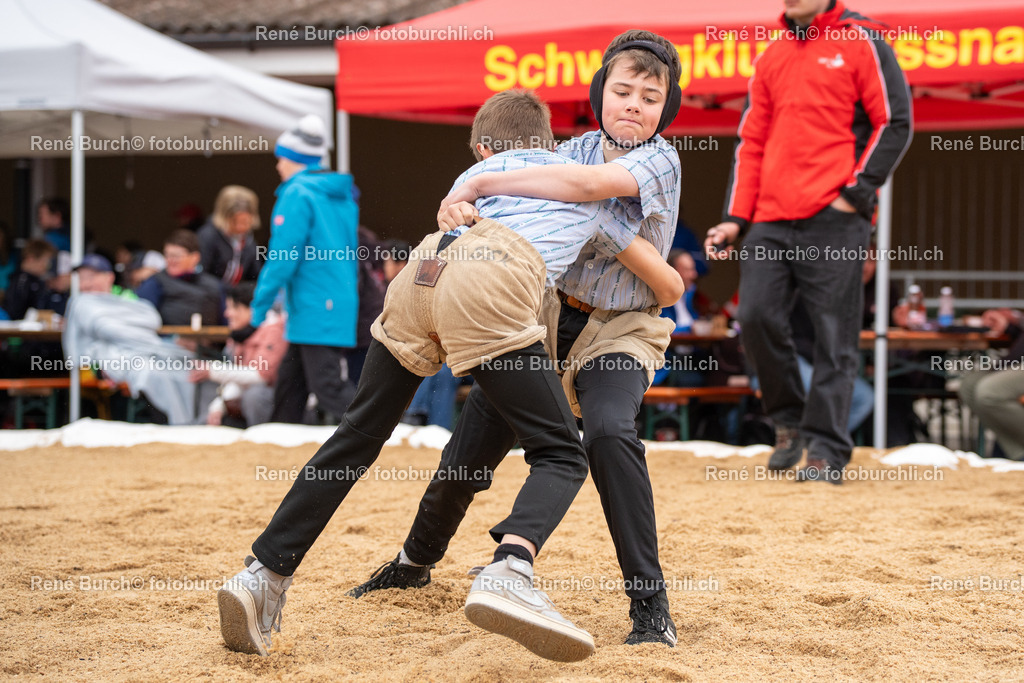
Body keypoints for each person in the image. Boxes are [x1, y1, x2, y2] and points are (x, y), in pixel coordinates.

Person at [217, 89, 681, 662]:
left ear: (484, 146)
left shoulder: (478, 174)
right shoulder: (579, 179)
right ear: (550, 143)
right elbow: (657, 273)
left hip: (424, 269)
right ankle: (510, 568)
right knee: (562, 454)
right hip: (493, 285)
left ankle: (263, 574)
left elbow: (473, 197)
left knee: (357, 434)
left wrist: (475, 183)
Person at [351, 30, 684, 647]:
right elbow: (510, 205)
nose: (634, 104)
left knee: (610, 433)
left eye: (650, 95)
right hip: (546, 316)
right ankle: (414, 562)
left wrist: (484, 186)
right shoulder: (568, 151)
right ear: (599, 94)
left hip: (624, 326)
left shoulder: (659, 159)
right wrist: (457, 204)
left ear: (667, 108)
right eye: (622, 90)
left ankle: (649, 605)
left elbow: (594, 208)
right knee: (475, 438)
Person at [704, 0, 912, 484]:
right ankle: (790, 421)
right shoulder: (771, 54)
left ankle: (826, 449)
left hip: (834, 216)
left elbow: (893, 122)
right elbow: (751, 141)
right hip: (770, 218)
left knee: (832, 335)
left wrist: (856, 193)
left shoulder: (862, 38)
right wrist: (735, 218)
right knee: (753, 316)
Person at [249, 115, 359, 424]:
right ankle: (278, 438)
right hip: (331, 300)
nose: (277, 166)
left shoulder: (297, 193)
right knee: (290, 385)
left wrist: (257, 313)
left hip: (314, 303)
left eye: (280, 158)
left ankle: (382, 434)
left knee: (327, 388)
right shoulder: (339, 195)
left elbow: (282, 258)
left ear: (295, 159)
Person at [63, 255, 200, 425]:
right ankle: (170, 424)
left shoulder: (123, 298)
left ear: (109, 277)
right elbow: (105, 327)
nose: (86, 283)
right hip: (108, 361)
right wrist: (132, 329)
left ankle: (185, 424)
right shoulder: (81, 302)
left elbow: (151, 318)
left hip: (147, 351)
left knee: (183, 367)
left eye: (91, 277)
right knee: (151, 373)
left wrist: (126, 328)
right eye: (82, 278)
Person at [191, 282, 287, 428]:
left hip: (282, 402)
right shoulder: (241, 334)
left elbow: (261, 376)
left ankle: (264, 441)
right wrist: (219, 406)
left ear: (250, 309)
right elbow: (239, 377)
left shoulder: (273, 331)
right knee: (211, 404)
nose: (227, 313)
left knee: (254, 395)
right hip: (248, 397)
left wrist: (213, 370)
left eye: (233, 307)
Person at [959, 309, 1024, 461]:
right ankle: (1017, 454)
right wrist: (1009, 325)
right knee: (969, 385)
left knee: (989, 391)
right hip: (1015, 360)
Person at [136, 229, 224, 326]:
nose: (170, 260)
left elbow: (227, 320)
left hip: (211, 339)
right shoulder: (155, 282)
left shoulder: (214, 285)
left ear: (195, 257)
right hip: (167, 340)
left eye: (176, 256)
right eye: (167, 255)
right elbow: (141, 319)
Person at [197, 185, 262, 286]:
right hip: (212, 296)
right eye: (235, 222)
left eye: (245, 222)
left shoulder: (249, 241)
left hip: (235, 295)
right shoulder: (207, 236)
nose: (241, 228)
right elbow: (200, 277)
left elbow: (256, 277)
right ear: (223, 218)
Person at [3, 239, 57, 320]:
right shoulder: (21, 280)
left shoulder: (38, 282)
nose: (47, 266)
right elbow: (15, 312)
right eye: (45, 261)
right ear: (30, 258)